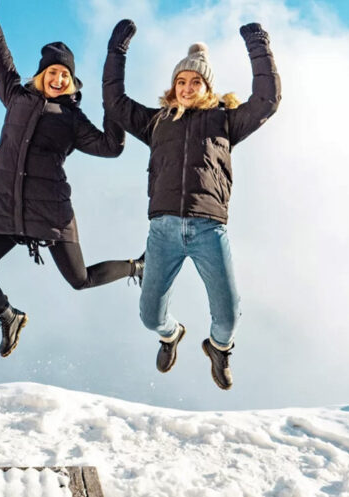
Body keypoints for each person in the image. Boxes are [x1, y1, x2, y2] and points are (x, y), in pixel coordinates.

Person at [103, 20, 281, 389]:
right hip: (163, 231)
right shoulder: (156, 122)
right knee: (150, 318)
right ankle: (171, 335)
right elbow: (115, 103)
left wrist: (257, 44)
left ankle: (218, 348)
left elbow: (267, 100)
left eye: (195, 81)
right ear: (174, 86)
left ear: (207, 86)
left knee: (228, 317)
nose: (186, 87)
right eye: (181, 81)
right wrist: (117, 51)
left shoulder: (226, 121)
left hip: (208, 229)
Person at [0, 0, 144, 358]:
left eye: (65, 75)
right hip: (9, 211)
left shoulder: (73, 120)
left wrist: (113, 100)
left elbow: (111, 147)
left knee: (80, 280)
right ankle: (8, 314)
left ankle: (137, 266)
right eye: (53, 72)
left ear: (72, 81)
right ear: (41, 74)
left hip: (50, 215)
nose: (58, 79)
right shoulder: (16, 96)